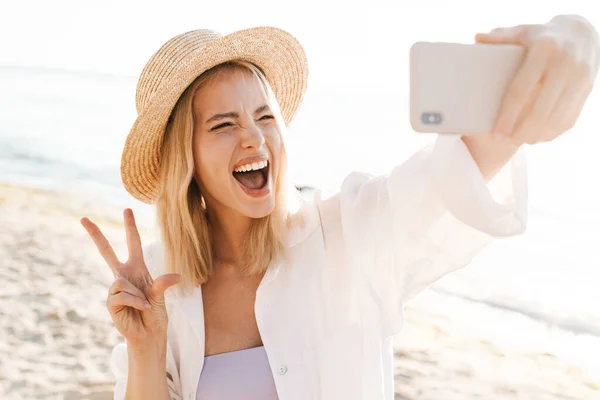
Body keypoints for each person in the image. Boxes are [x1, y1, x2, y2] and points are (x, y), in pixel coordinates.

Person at [80, 16, 599, 400]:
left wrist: (572, 37)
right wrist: (145, 350)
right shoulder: (162, 285)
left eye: (265, 116)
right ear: (185, 159)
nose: (254, 138)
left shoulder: (348, 235)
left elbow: (455, 173)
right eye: (223, 124)